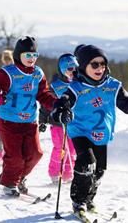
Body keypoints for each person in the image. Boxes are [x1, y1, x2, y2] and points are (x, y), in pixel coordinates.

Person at [51, 45, 128, 214]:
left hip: (101, 133)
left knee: (99, 171)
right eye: (94, 65)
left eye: (102, 64)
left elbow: (126, 103)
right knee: (87, 162)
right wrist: (60, 112)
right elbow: (62, 103)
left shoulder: (112, 85)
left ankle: (89, 198)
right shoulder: (75, 87)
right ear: (83, 66)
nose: (100, 68)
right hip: (81, 132)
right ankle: (79, 200)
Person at [0, 36, 57, 196]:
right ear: (19, 55)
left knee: (35, 154)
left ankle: (20, 177)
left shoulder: (37, 73)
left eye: (34, 55)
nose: (32, 59)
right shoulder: (6, 73)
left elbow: (44, 94)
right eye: (28, 55)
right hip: (10, 122)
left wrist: (55, 104)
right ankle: (10, 183)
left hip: (30, 122)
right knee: (15, 156)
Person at [39, 53, 78, 184]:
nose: (73, 72)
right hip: (58, 123)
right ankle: (55, 173)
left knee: (72, 149)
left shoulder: (79, 84)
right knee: (61, 148)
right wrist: (42, 121)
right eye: (69, 69)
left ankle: (68, 173)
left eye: (75, 68)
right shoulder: (55, 86)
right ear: (62, 70)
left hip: (74, 123)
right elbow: (46, 105)